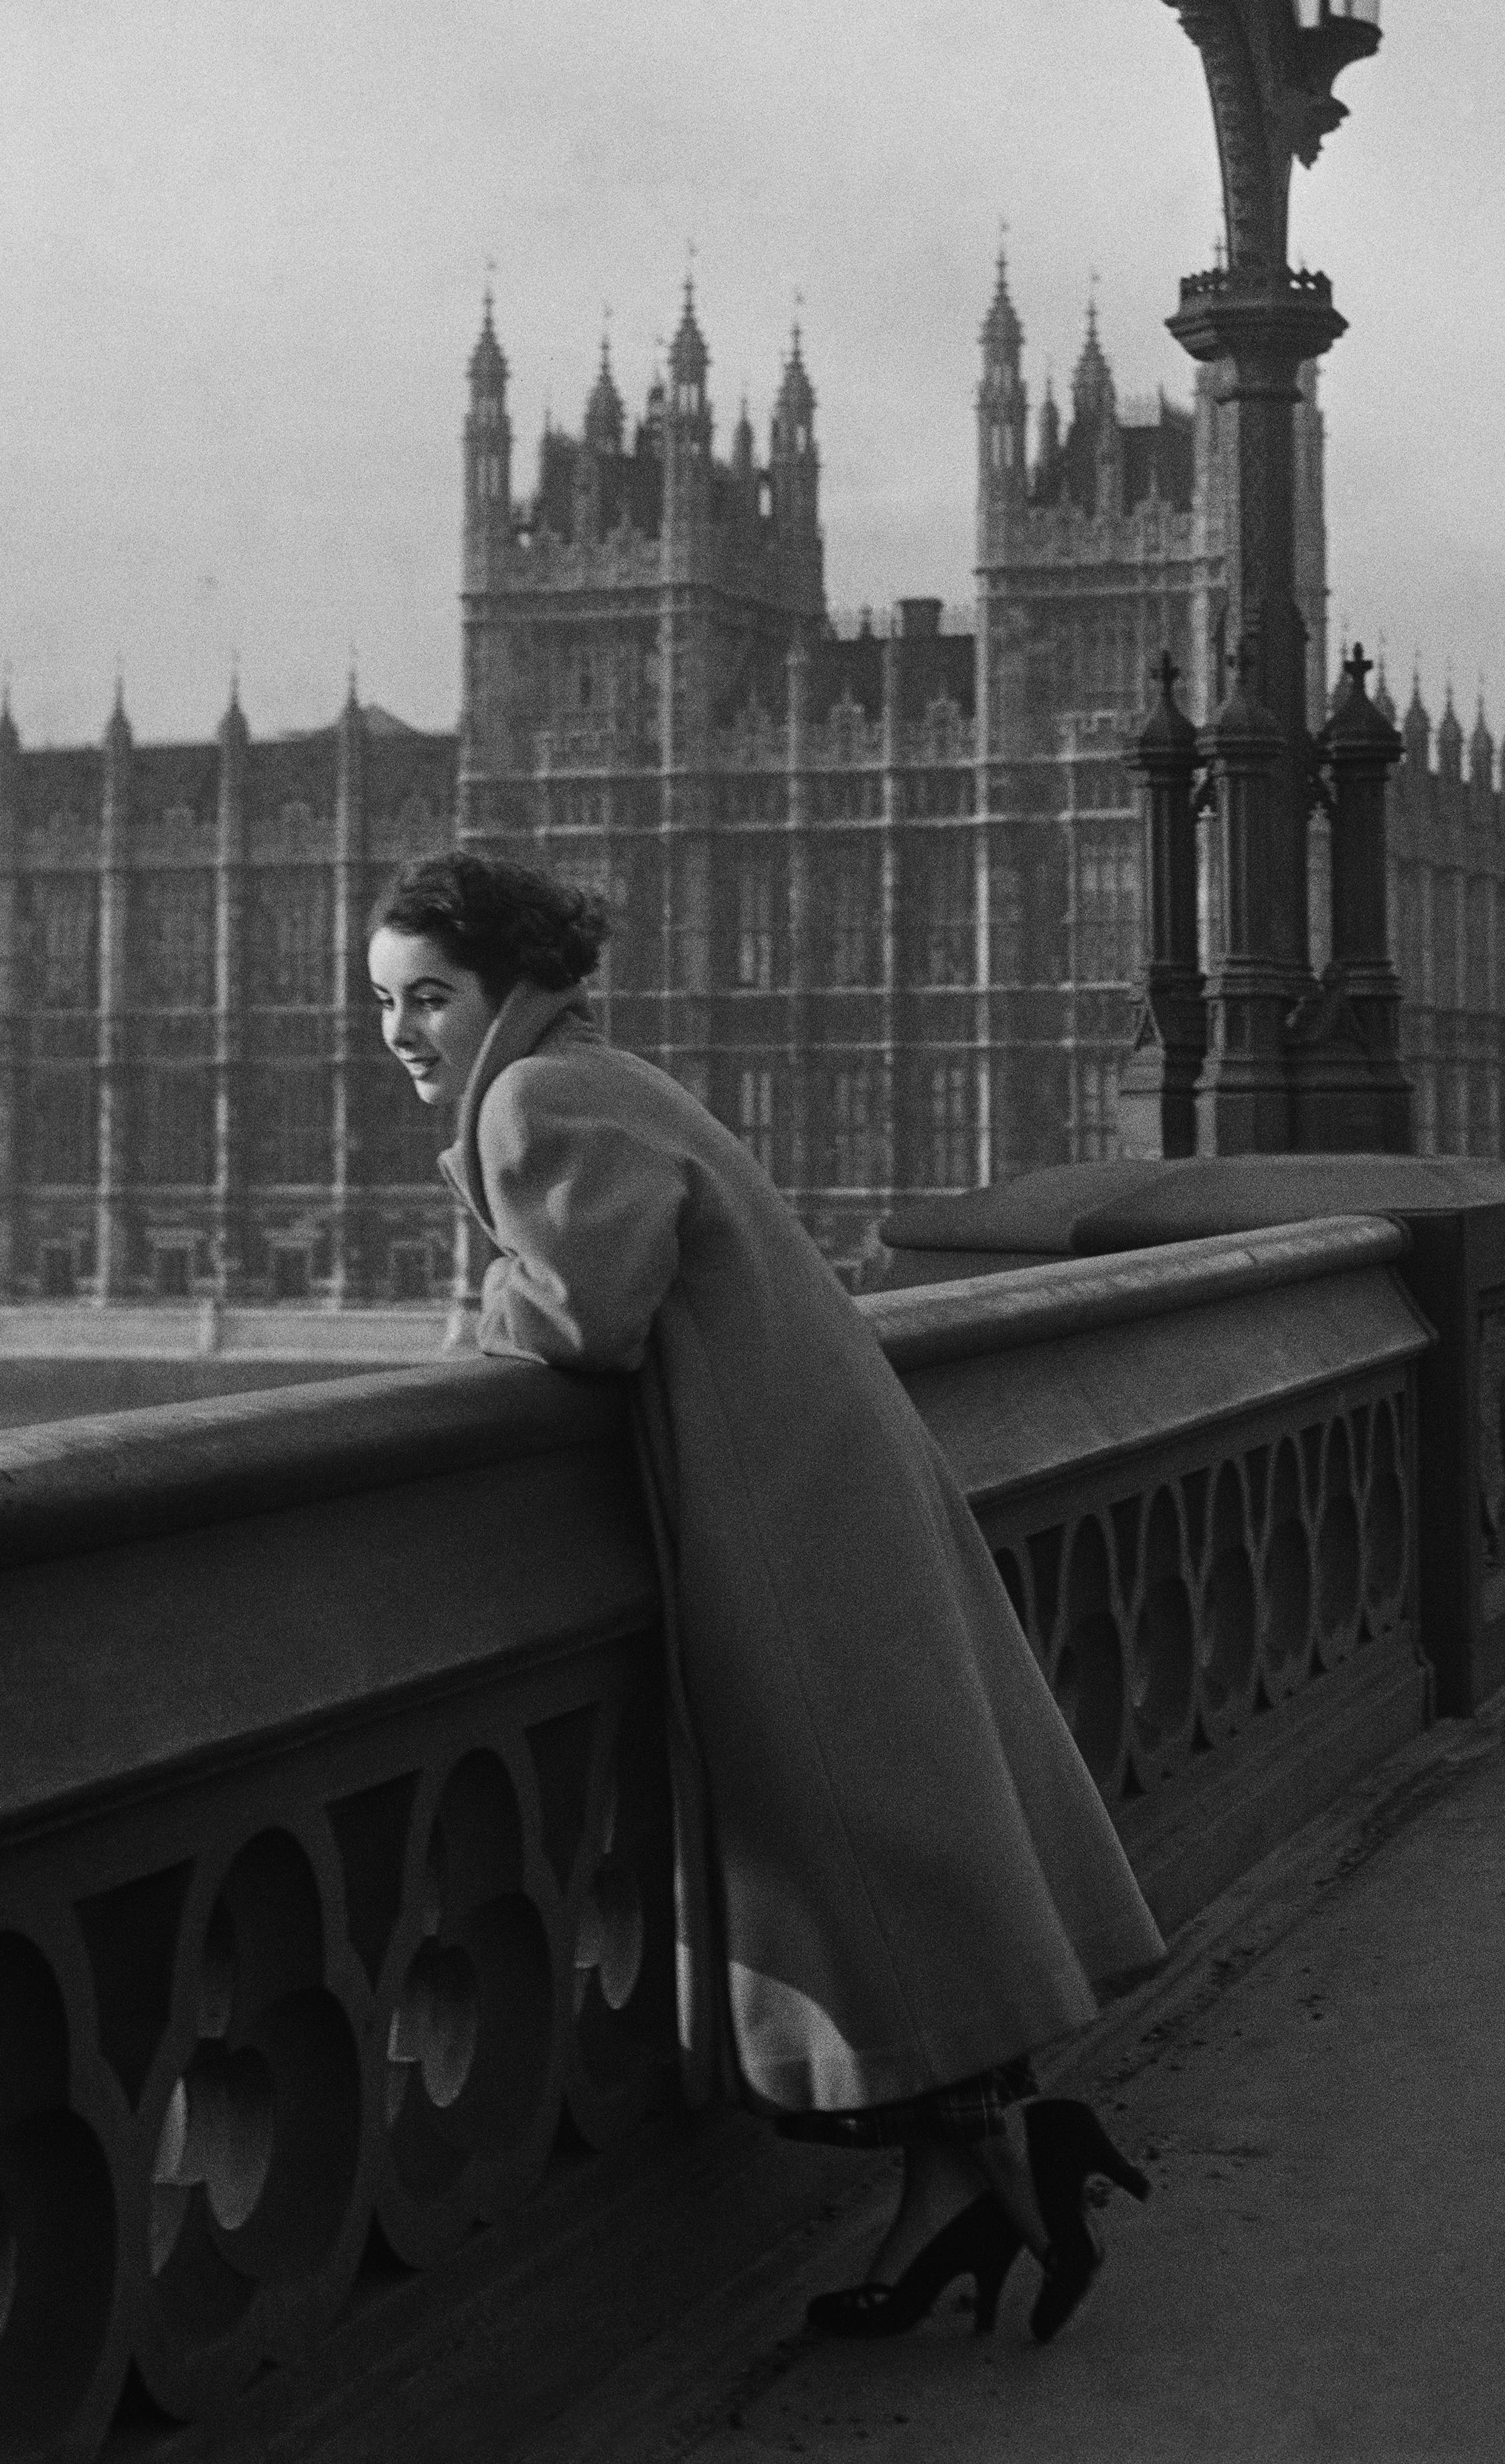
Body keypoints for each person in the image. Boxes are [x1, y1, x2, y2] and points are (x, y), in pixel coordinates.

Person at [369, 849, 1161, 2345]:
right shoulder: (592, 1071)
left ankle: (1002, 2150)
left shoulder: (538, 1098)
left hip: (778, 1512)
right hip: (807, 1476)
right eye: (387, 1004)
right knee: (883, 1843)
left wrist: (472, 1308)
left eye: (428, 997)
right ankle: (972, 2176)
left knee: (858, 1848)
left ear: (503, 992)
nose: (404, 1032)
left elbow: (579, 1321)